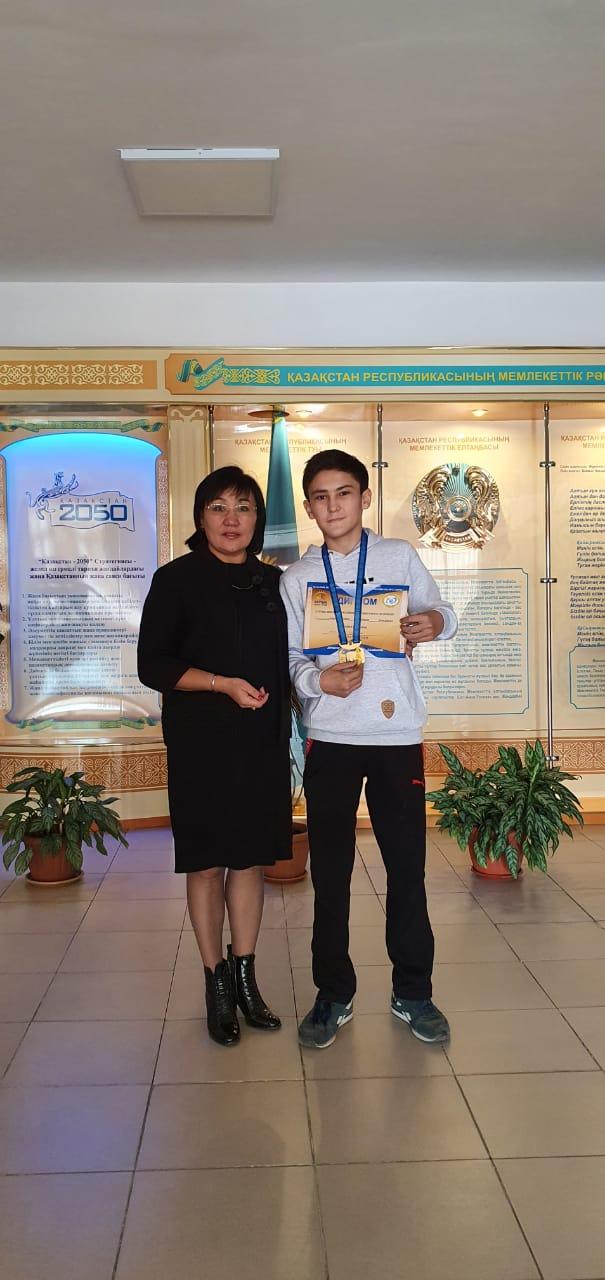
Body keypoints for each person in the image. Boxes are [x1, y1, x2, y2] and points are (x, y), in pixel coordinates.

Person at [279, 449, 457, 1050]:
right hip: (330, 737)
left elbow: (442, 611)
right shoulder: (296, 578)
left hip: (395, 735)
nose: (333, 506)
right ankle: (333, 994)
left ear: (365, 498)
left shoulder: (398, 556)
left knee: (407, 870)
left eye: (344, 493)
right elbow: (290, 657)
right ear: (309, 507)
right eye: (321, 497)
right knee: (330, 875)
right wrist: (317, 681)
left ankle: (413, 992)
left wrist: (434, 623)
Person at [138, 466, 292, 1046]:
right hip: (200, 743)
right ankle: (216, 983)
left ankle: (247, 978)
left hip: (260, 744)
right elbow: (152, 664)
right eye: (219, 507)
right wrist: (221, 683)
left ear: (258, 519)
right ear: (200, 517)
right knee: (206, 864)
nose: (232, 520)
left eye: (244, 508)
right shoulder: (175, 580)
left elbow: (301, 654)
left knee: (249, 862)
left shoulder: (276, 584)